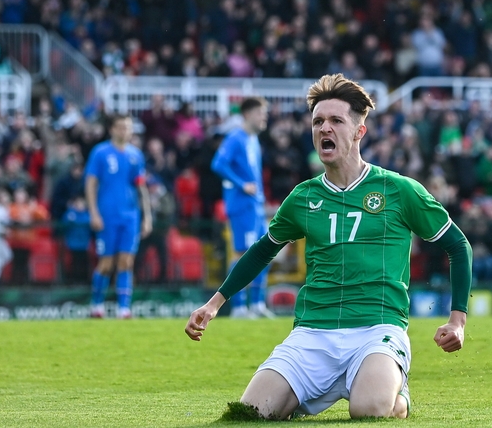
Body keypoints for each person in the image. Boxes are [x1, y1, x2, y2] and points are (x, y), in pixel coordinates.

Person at [185, 74, 473, 420]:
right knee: (250, 413)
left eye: (336, 121)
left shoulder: (398, 189)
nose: (325, 128)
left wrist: (457, 321)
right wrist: (215, 304)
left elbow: (458, 245)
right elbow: (263, 250)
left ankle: (396, 394)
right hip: (312, 333)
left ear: (358, 132)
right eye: (318, 121)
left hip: (377, 328)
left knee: (368, 410)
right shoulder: (304, 197)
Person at [210, 97, 275, 319]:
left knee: (265, 252)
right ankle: (238, 307)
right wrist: (241, 184)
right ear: (247, 114)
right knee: (241, 254)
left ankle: (257, 304)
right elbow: (218, 164)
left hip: (255, 206)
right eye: (260, 113)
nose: (264, 117)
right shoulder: (235, 138)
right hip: (240, 206)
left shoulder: (253, 140)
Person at [85, 115, 152, 319]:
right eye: (121, 127)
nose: (126, 131)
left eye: (128, 128)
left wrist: (147, 216)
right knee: (106, 263)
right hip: (107, 215)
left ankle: (124, 309)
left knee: (126, 262)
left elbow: (141, 186)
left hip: (130, 215)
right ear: (112, 129)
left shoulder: (135, 155)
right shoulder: (100, 153)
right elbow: (90, 183)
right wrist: (94, 212)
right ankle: (96, 305)